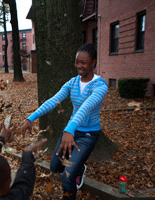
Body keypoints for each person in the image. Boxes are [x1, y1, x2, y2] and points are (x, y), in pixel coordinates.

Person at [21, 43, 108, 200]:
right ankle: (79, 168)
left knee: (67, 177)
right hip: (71, 131)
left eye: (84, 62)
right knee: (55, 167)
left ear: (93, 62)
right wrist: (31, 118)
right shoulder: (73, 82)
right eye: (77, 61)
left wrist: (69, 129)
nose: (79, 66)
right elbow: (54, 100)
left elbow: (86, 107)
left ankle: (74, 173)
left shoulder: (100, 86)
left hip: (88, 134)